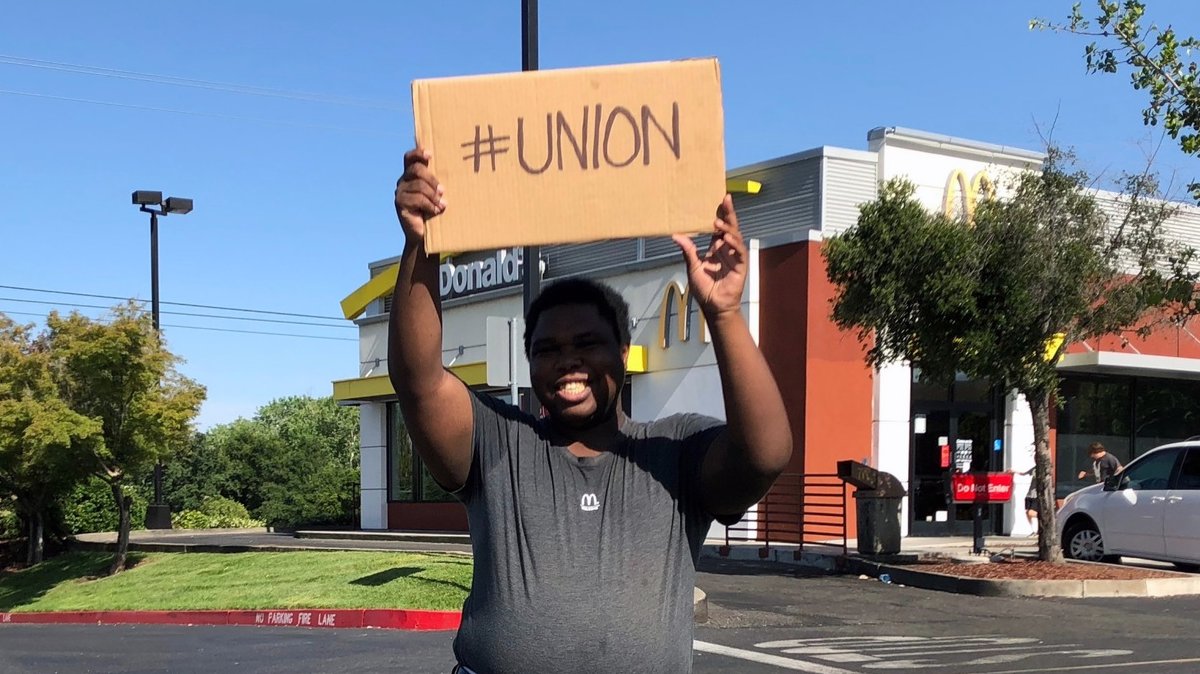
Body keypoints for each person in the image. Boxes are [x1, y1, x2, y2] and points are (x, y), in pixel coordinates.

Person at [389, 149, 793, 674]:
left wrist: (724, 313)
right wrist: (420, 247)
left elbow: (765, 454)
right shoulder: (498, 442)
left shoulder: (674, 451)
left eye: (587, 344)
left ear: (623, 353)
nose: (568, 361)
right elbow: (418, 382)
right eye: (548, 349)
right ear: (530, 362)